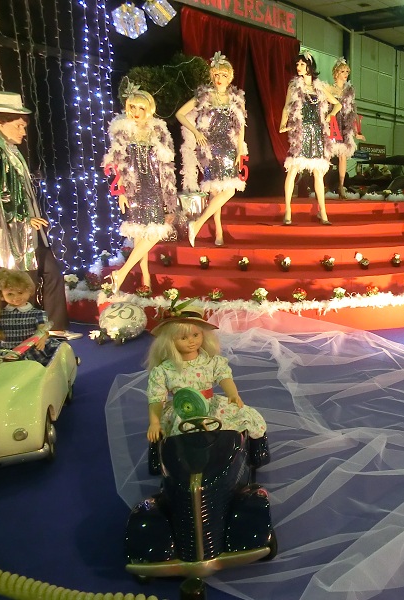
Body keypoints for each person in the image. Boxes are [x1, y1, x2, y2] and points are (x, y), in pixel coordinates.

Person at [0, 91, 80, 340]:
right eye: (18, 125)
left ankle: (54, 328)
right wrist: (22, 217)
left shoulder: (11, 151)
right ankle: (20, 336)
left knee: (52, 272)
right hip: (12, 232)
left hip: (30, 230)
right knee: (21, 282)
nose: (23, 131)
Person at [145, 304, 268, 452]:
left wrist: (232, 394)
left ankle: (254, 450)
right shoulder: (164, 370)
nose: (191, 341)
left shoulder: (211, 361)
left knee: (245, 415)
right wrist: (154, 422)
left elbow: (224, 377)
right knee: (180, 433)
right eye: (183, 338)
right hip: (183, 411)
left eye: (196, 335)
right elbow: (156, 399)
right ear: (170, 341)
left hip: (211, 406)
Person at [103, 82, 177, 295]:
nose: (136, 112)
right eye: (132, 107)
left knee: (154, 230)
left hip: (155, 186)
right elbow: (117, 163)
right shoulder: (122, 130)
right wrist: (121, 192)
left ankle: (122, 272)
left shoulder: (159, 131)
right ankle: (145, 276)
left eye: (141, 108)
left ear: (149, 109)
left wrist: (169, 196)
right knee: (139, 231)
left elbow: (167, 166)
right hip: (133, 187)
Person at [177, 52, 247, 248]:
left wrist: (240, 149)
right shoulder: (204, 96)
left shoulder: (235, 99)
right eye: (216, 75)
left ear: (229, 77)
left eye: (223, 75)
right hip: (210, 147)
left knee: (229, 190)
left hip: (229, 147)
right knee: (216, 190)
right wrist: (196, 132)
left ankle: (199, 224)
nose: (219, 79)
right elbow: (180, 114)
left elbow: (240, 126)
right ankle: (218, 231)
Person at [279, 51, 341, 226]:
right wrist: (283, 124)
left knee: (318, 174)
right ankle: (288, 211)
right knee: (293, 170)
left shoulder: (318, 87)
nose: (298, 67)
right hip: (300, 132)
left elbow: (337, 104)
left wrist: (330, 115)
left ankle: (323, 212)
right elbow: (286, 107)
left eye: (302, 64)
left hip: (317, 133)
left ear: (309, 66)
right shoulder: (294, 86)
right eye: (297, 64)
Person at [0, 268, 61, 365]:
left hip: (29, 351)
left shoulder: (37, 313)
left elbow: (43, 329)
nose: (16, 297)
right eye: (10, 294)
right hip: (6, 352)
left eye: (20, 292)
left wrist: (42, 338)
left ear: (29, 291)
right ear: (2, 295)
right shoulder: (0, 315)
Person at [325, 57, 365, 199]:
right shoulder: (329, 88)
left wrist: (357, 131)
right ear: (336, 73)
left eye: (347, 71)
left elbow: (352, 112)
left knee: (343, 156)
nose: (346, 74)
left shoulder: (349, 91)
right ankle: (323, 184)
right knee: (327, 153)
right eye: (343, 71)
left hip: (344, 125)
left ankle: (341, 186)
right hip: (332, 123)